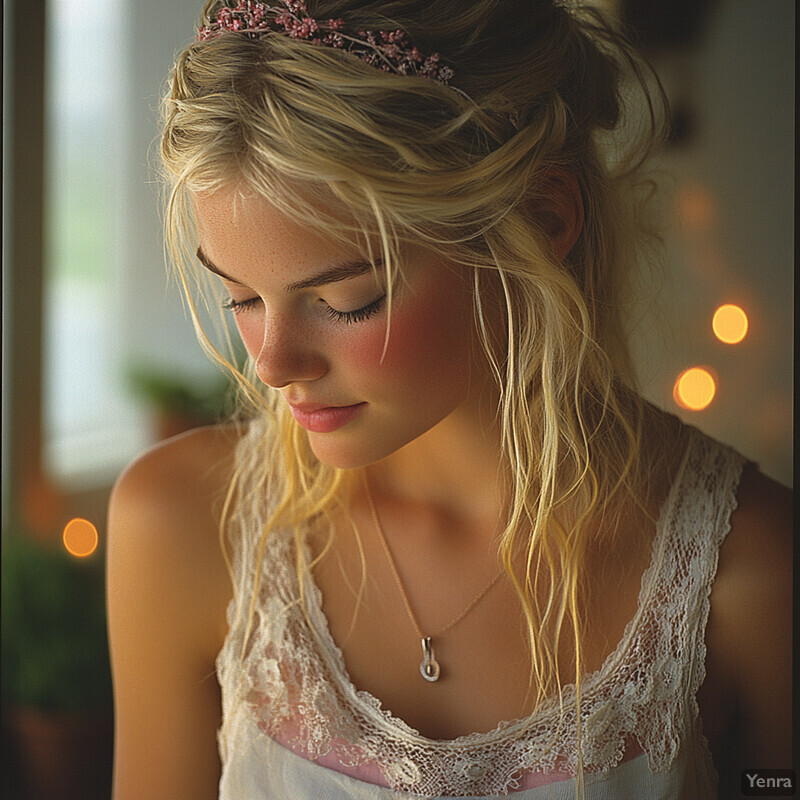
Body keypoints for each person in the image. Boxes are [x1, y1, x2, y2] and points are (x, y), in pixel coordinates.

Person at [106, 1, 792, 798]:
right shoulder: (183, 528)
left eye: (347, 299)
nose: (274, 366)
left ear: (542, 217)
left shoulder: (756, 577)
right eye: (240, 298)